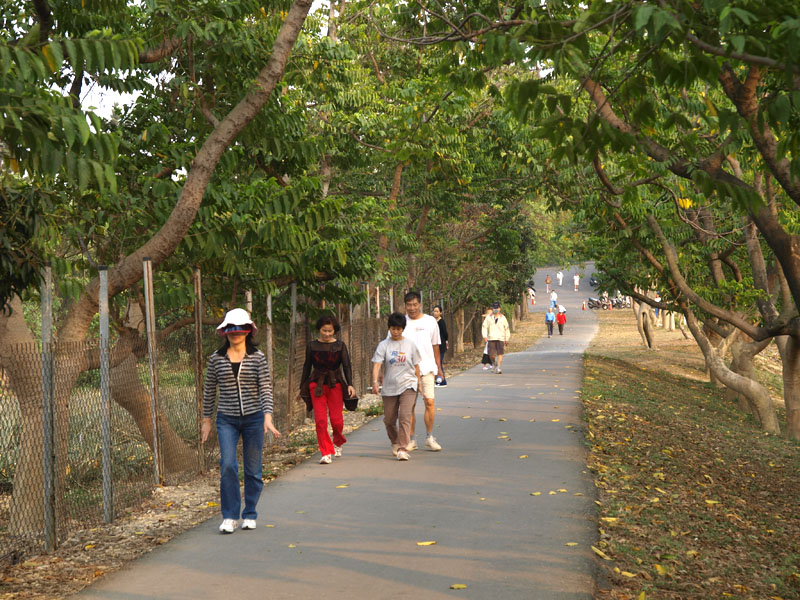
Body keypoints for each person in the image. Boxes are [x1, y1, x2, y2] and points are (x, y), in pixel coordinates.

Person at [202, 308, 281, 534]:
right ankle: (229, 516)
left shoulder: (257, 357)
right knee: (227, 465)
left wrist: (267, 416)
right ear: (225, 332)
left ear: (248, 332)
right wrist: (206, 419)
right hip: (226, 419)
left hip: (254, 419)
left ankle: (250, 513)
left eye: (239, 329)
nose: (235, 334)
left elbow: (265, 387)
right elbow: (209, 390)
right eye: (231, 329)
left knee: (253, 468)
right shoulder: (216, 359)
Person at [299, 314, 356, 465]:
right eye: (324, 330)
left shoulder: (340, 346)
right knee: (320, 420)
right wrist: (302, 386)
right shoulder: (312, 346)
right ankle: (326, 452)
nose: (327, 334)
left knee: (337, 420)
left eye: (330, 331)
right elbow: (306, 366)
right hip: (316, 385)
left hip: (335, 384)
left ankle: (337, 441)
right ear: (319, 329)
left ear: (334, 331)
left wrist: (350, 384)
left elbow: (347, 366)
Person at [371, 312, 422, 461]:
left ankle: (403, 448)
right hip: (390, 386)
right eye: (393, 328)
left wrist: (419, 384)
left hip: (408, 384)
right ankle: (395, 441)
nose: (396, 332)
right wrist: (375, 382)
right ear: (389, 328)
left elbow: (417, 366)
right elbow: (377, 365)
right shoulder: (383, 345)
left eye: (399, 329)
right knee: (389, 420)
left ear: (403, 329)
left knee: (404, 416)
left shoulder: (410, 345)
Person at [397, 292, 443, 451]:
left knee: (429, 402)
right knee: (409, 406)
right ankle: (411, 439)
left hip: (427, 369)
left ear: (420, 304)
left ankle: (430, 437)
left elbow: (436, 346)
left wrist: (439, 368)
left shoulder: (430, 321)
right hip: (407, 372)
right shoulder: (402, 322)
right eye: (409, 305)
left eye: (415, 304)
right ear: (405, 306)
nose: (412, 308)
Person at [482, 301, 511, 374]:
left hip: (500, 338)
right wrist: (485, 336)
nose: (496, 309)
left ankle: (499, 367)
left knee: (500, 354)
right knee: (491, 354)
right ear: (492, 308)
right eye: (494, 308)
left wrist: (506, 338)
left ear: (499, 308)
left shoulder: (503, 318)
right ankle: (494, 363)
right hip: (491, 338)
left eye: (497, 308)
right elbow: (484, 327)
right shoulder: (488, 317)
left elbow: (506, 328)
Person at [432, 305, 448, 387]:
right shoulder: (432, 322)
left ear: (440, 313)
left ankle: (442, 381)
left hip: (441, 345)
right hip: (434, 345)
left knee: (439, 363)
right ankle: (440, 380)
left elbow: (445, 334)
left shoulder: (441, 322)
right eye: (434, 311)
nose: (435, 313)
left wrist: (446, 342)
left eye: (437, 311)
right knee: (436, 363)